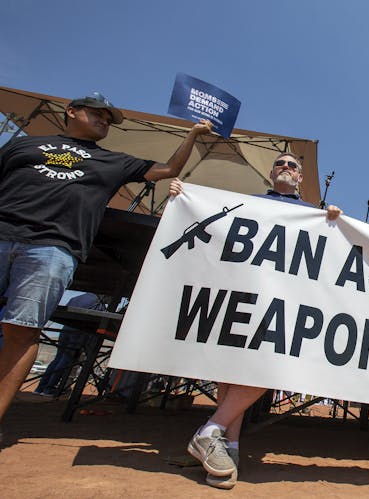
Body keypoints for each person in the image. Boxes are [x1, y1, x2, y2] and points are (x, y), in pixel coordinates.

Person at [0, 92, 213, 436]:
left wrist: (192, 134)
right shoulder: (25, 146)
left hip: (53, 248)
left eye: (109, 119)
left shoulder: (115, 161)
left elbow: (168, 170)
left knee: (21, 331)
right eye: (98, 114)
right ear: (71, 111)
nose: (105, 121)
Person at [170, 152, 341, 489]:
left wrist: (333, 219)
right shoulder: (246, 203)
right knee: (231, 369)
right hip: (242, 290)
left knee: (269, 364)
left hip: (284, 298)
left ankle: (210, 430)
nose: (286, 168)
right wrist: (183, 196)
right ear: (271, 172)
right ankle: (227, 446)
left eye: (293, 166)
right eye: (281, 164)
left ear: (301, 179)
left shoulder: (313, 214)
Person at [33, 293, 106, 397]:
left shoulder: (75, 298)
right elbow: (99, 319)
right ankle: (49, 388)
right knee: (67, 359)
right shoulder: (97, 301)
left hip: (66, 329)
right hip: (79, 330)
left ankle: (40, 387)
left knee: (58, 358)